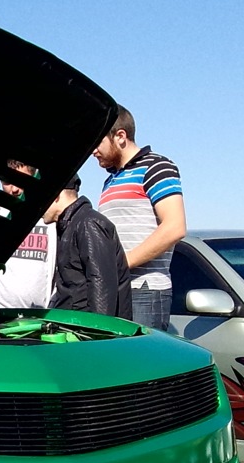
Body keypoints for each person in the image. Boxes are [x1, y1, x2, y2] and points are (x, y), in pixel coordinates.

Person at [94, 105, 186, 330]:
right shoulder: (111, 180)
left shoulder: (157, 167)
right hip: (118, 289)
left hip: (146, 291)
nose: (93, 151)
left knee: (142, 353)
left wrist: (121, 264)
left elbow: (175, 227)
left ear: (120, 136)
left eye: (98, 142)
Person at [42, 175, 131, 319]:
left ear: (56, 195)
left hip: (85, 327)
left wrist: (98, 329)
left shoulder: (88, 223)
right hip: (74, 324)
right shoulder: (70, 225)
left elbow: (102, 287)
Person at [0, 159, 57, 309]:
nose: (14, 189)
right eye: (7, 182)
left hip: (36, 316)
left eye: (20, 181)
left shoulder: (50, 215)